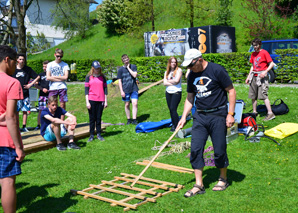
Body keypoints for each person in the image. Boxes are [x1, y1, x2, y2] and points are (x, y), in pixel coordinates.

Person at [177, 49, 236, 197]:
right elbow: (190, 97)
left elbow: (231, 91)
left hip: (218, 115)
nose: (189, 69)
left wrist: (230, 114)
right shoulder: (191, 75)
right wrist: (184, 116)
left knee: (219, 150)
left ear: (199, 60)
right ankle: (199, 184)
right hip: (200, 117)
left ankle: (223, 179)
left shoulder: (216, 70)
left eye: (191, 65)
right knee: (196, 149)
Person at [0, 45, 26, 213]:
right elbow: (11, 117)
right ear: (7, 60)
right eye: (14, 62)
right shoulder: (12, 82)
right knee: (8, 181)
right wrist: (18, 147)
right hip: (5, 140)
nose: (15, 66)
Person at [245, 38, 275, 121]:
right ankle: (254, 112)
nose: (255, 47)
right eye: (253, 45)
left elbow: (271, 64)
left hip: (262, 77)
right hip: (253, 76)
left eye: (256, 45)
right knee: (253, 95)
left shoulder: (264, 52)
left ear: (260, 45)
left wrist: (265, 72)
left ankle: (270, 113)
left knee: (263, 95)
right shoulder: (253, 54)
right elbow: (252, 66)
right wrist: (248, 77)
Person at [12, 53, 39, 132]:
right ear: (17, 60)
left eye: (23, 59)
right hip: (15, 93)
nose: (22, 61)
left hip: (25, 93)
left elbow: (37, 77)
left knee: (25, 110)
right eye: (20, 59)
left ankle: (24, 126)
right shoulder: (13, 69)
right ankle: (16, 126)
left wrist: (30, 84)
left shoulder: (28, 69)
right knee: (16, 111)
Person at [85, 61, 108, 142]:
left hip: (100, 99)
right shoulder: (88, 77)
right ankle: (91, 134)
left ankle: (99, 134)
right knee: (92, 118)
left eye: (98, 68)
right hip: (91, 99)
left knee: (98, 118)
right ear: (92, 68)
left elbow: (105, 89)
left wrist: (105, 101)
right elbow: (86, 90)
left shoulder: (103, 77)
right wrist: (87, 102)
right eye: (96, 68)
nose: (97, 70)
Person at [46, 48, 69, 120]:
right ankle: (51, 120)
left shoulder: (65, 65)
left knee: (62, 104)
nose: (59, 58)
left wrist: (54, 77)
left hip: (62, 87)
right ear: (55, 55)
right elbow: (48, 77)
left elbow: (66, 77)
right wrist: (60, 77)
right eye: (58, 56)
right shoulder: (50, 64)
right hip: (53, 87)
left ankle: (62, 122)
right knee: (51, 104)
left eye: (61, 56)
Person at [117, 54, 139, 125]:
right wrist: (121, 91)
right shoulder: (120, 70)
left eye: (127, 59)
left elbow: (135, 75)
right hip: (125, 89)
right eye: (124, 60)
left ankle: (134, 119)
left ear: (128, 59)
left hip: (134, 88)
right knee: (127, 104)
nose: (126, 61)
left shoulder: (133, 66)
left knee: (135, 103)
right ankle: (129, 119)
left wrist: (128, 68)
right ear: (122, 61)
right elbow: (119, 81)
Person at [163, 56, 182, 132]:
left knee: (173, 109)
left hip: (176, 92)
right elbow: (164, 83)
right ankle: (174, 124)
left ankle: (177, 125)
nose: (173, 63)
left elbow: (177, 81)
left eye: (175, 62)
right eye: (172, 62)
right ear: (169, 63)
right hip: (168, 92)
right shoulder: (167, 72)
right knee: (170, 110)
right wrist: (172, 82)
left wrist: (169, 82)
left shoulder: (179, 70)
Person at [34, 60, 50, 130]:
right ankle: (38, 124)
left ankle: (49, 123)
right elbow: (36, 85)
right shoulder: (40, 75)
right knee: (41, 110)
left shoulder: (51, 75)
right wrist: (42, 89)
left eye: (45, 67)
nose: (44, 68)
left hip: (50, 95)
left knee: (50, 110)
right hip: (42, 95)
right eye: (43, 66)